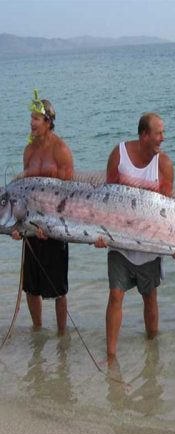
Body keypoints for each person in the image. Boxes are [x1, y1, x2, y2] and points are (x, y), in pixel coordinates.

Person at [94, 113, 175, 359]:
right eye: (158, 134)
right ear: (144, 135)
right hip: (119, 244)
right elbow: (106, 199)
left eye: (163, 133)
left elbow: (168, 212)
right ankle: (110, 356)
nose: (162, 139)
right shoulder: (119, 155)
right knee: (115, 295)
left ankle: (152, 353)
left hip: (150, 246)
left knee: (150, 298)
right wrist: (100, 234)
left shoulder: (164, 165)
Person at [10, 90, 74, 335]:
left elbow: (69, 196)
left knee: (59, 289)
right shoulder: (28, 152)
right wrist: (18, 227)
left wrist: (50, 227)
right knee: (30, 287)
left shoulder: (61, 150)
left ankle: (61, 335)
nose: (31, 123)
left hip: (54, 227)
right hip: (30, 226)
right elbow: (23, 194)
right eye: (31, 118)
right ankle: (38, 332)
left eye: (36, 118)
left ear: (48, 122)